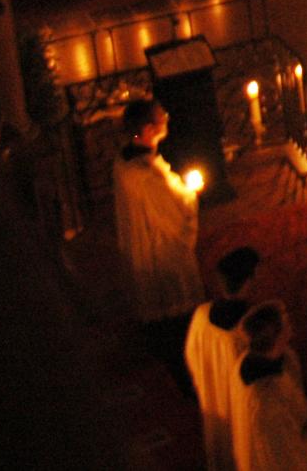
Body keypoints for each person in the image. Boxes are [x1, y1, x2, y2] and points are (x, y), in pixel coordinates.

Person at [113, 99, 204, 394]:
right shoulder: (145, 176)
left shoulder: (126, 163)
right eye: (161, 117)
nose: (167, 118)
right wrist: (190, 194)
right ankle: (186, 379)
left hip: (146, 252)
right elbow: (173, 218)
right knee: (175, 319)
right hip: (161, 257)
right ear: (150, 129)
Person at [185, 247, 260, 471]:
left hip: (213, 404)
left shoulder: (201, 316)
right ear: (249, 280)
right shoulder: (249, 331)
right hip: (241, 414)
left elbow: (192, 358)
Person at [231, 303, 307, 471]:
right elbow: (290, 459)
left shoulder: (245, 362)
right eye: (287, 323)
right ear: (277, 336)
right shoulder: (269, 404)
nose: (292, 325)